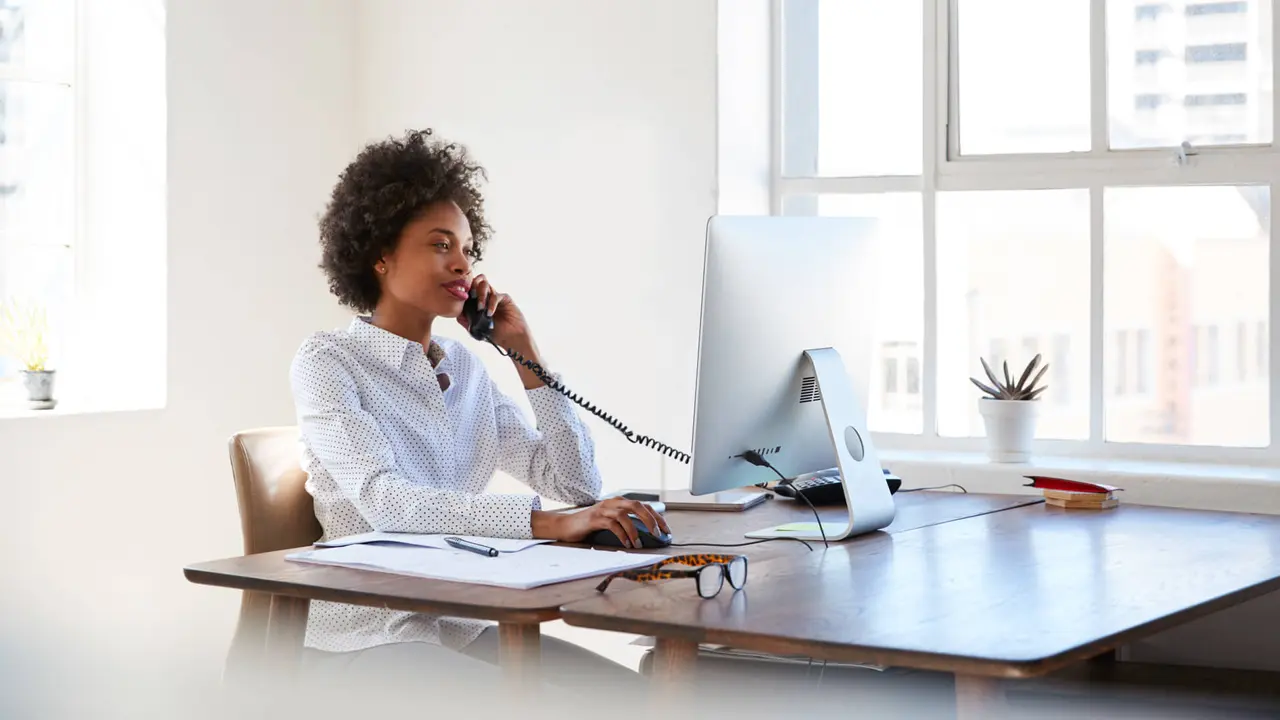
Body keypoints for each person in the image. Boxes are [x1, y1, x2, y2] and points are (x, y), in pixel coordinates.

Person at [288, 128, 669, 696]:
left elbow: (575, 483)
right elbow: (387, 502)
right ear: (381, 257)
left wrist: (527, 356)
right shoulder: (327, 361)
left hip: (458, 627)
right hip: (365, 638)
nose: (462, 264)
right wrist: (543, 523)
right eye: (441, 245)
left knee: (636, 699)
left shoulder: (464, 369)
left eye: (467, 249)